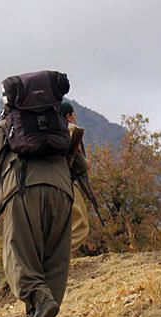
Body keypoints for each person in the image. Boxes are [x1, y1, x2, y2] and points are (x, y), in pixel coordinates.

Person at [0, 71, 73, 317]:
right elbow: (78, 163)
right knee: (55, 260)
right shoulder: (59, 123)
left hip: (23, 188)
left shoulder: (7, 123)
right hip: (63, 192)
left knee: (18, 255)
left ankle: (40, 302)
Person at [62, 101, 90, 253]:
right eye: (74, 114)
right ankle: (59, 258)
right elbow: (80, 165)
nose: (75, 117)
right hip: (65, 183)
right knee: (80, 224)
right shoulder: (71, 130)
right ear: (68, 116)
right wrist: (87, 163)